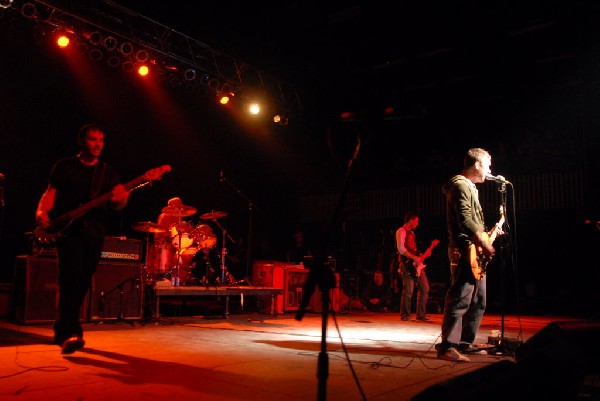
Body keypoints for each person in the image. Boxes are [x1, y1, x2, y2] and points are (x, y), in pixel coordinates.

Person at [35, 123, 130, 354]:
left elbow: (118, 205)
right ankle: (71, 332)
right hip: (70, 232)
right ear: (81, 141)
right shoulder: (65, 166)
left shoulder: (108, 172)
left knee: (82, 282)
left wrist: (122, 198)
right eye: (92, 139)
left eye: (101, 140)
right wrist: (41, 213)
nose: (98, 144)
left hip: (95, 233)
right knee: (70, 280)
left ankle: (62, 329)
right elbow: (50, 194)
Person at [436, 147, 497, 362]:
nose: (490, 170)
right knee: (460, 298)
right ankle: (447, 346)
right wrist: (484, 241)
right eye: (487, 165)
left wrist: (490, 234)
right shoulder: (460, 185)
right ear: (477, 165)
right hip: (464, 250)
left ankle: (465, 343)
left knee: (479, 300)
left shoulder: (470, 187)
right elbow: (466, 220)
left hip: (474, 251)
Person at [395, 212, 431, 322]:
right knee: (408, 290)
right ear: (411, 220)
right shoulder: (401, 231)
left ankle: (420, 315)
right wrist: (413, 257)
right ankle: (405, 315)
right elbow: (401, 249)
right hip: (406, 264)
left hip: (415, 265)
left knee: (424, 288)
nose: (417, 224)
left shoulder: (412, 233)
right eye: (416, 221)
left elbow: (412, 250)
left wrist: (420, 255)